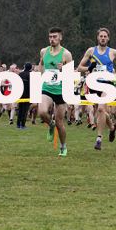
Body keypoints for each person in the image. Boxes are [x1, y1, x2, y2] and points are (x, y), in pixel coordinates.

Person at [76, 28, 116, 151]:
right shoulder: (91, 51)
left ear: (108, 38)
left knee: (101, 109)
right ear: (97, 38)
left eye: (105, 36)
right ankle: (112, 128)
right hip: (94, 84)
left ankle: (99, 139)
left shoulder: (113, 52)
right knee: (100, 112)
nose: (103, 38)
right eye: (101, 36)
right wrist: (88, 67)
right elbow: (79, 67)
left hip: (107, 84)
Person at [38, 27, 74, 157]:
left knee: (60, 123)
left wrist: (63, 68)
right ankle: (50, 125)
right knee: (41, 112)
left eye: (54, 37)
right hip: (47, 88)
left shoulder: (66, 54)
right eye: (50, 37)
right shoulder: (44, 51)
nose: (52, 39)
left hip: (61, 90)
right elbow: (41, 65)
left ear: (60, 38)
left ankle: (63, 146)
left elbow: (71, 75)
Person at [16, 62, 32, 129]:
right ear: (30, 68)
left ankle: (18, 124)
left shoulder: (21, 74)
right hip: (27, 95)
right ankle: (23, 124)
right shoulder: (30, 75)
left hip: (21, 94)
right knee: (25, 110)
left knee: (20, 109)